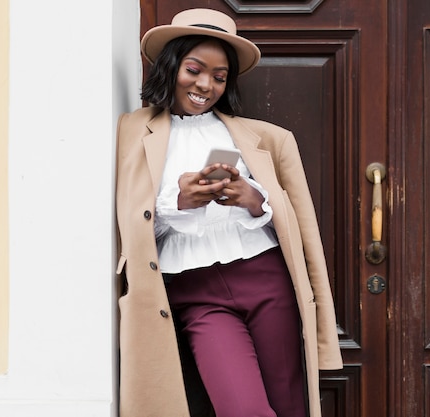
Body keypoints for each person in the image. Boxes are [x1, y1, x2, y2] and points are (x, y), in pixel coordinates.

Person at [115, 8, 343, 417]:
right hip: (194, 292)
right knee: (243, 409)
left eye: (220, 77)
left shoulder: (268, 139)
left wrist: (251, 198)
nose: (206, 85)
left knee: (289, 406)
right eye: (194, 69)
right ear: (171, 65)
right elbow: (132, 218)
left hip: (266, 279)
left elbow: (297, 223)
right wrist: (179, 201)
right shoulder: (131, 132)